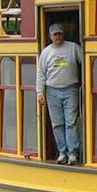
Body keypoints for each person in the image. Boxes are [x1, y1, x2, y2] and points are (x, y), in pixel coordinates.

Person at [36, 23, 84, 164]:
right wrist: (40, 92)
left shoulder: (73, 48)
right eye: (55, 34)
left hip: (71, 88)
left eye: (59, 34)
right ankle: (62, 152)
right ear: (50, 36)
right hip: (52, 91)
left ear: (63, 34)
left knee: (71, 122)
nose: (58, 37)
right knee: (57, 123)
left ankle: (73, 153)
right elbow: (41, 74)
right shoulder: (45, 52)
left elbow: (86, 61)